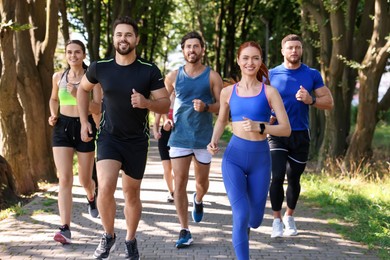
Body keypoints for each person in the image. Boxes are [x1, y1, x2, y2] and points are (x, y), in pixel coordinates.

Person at [77, 16, 170, 260]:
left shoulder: (149, 70)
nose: (123, 39)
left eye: (128, 35)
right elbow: (82, 89)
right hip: (109, 137)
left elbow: (165, 104)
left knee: (131, 194)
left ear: (136, 39)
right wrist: (85, 121)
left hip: (137, 142)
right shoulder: (101, 67)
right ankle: (108, 235)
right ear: (113, 38)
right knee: (105, 187)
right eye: (119, 34)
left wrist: (147, 102)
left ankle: (130, 239)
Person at [207, 41, 291, 260]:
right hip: (233, 158)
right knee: (241, 214)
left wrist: (261, 126)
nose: (250, 62)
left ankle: (245, 227)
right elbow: (221, 120)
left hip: (261, 160)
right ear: (238, 60)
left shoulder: (270, 92)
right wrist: (213, 140)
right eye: (245, 58)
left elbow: (286, 129)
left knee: (254, 220)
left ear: (261, 61)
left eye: (255, 58)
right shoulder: (227, 92)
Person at [268, 34, 333, 238]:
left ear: (301, 50)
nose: (294, 51)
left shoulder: (311, 74)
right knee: (277, 176)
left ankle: (289, 216)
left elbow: (329, 102)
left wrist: (310, 100)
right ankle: (276, 219)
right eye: (290, 48)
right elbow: (259, 99)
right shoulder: (270, 74)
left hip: (300, 134)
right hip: (277, 132)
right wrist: (265, 116)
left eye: (297, 47)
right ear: (282, 51)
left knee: (294, 177)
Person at [165, 31, 223, 248]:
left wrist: (207, 106)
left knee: (201, 183)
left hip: (203, 139)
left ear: (202, 49)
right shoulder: (173, 76)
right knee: (179, 183)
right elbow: (163, 101)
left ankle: (198, 200)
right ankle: (184, 229)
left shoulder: (212, 76)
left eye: (196, 46)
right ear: (183, 50)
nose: (192, 50)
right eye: (188, 46)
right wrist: (164, 120)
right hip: (179, 137)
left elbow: (222, 107)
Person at [48, 39, 102, 245]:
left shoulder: (93, 78)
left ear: (83, 54)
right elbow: (54, 99)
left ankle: (91, 195)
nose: (73, 56)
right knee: (65, 179)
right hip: (62, 128)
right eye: (69, 52)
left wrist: (78, 95)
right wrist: (53, 114)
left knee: (84, 180)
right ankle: (65, 227)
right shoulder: (58, 76)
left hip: (85, 126)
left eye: (77, 52)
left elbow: (97, 108)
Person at [153, 93, 175, 203]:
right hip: (164, 137)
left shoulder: (183, 100)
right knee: (167, 168)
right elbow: (156, 123)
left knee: (176, 170)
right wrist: (156, 133)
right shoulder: (163, 103)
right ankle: (171, 192)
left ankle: (178, 190)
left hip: (178, 137)